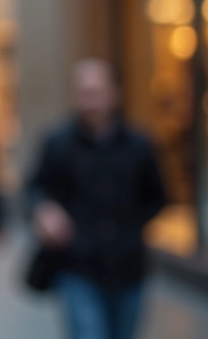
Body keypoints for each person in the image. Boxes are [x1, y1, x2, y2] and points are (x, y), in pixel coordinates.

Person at [28, 59, 166, 339]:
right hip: (77, 266)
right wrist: (45, 211)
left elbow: (157, 197)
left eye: (95, 92)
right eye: (82, 93)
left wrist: (130, 227)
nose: (88, 101)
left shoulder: (139, 145)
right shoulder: (58, 142)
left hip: (128, 269)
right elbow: (36, 189)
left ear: (114, 93)